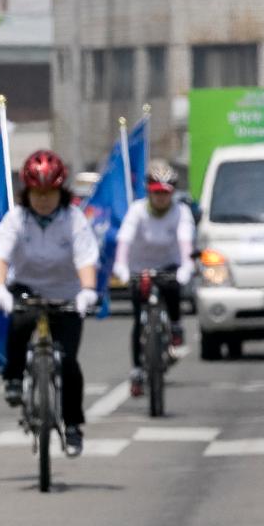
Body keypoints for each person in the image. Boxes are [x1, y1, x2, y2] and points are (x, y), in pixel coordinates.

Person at [0, 149, 99, 457]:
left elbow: (85, 257)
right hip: (26, 287)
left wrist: (87, 291)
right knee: (20, 321)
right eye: (37, 193)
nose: (43, 199)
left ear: (60, 191)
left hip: (66, 293)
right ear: (28, 191)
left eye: (49, 192)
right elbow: (0, 253)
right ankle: (12, 378)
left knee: (69, 363)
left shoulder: (73, 219)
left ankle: (74, 426)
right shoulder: (16, 219)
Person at [112, 158, 195, 397]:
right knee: (139, 320)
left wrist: (187, 265)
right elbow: (125, 238)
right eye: (156, 192)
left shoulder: (181, 212)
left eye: (165, 193)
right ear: (149, 191)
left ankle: (176, 325)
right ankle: (137, 369)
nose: (161, 198)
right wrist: (121, 265)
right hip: (141, 268)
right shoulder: (137, 211)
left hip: (169, 265)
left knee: (172, 288)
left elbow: (185, 240)